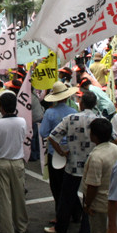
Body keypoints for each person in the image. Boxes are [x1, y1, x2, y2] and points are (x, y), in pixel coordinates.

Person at [45, 91, 99, 233]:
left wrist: (62, 152)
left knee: (66, 197)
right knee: (90, 200)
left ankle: (61, 228)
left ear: (81, 103)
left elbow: (52, 136)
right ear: (94, 104)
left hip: (73, 163)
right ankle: (85, 232)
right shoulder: (100, 119)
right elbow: (114, 139)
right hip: (93, 165)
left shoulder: (71, 118)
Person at [0, 92, 28, 233]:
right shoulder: (22, 121)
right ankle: (21, 225)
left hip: (1, 163)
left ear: (1, 107)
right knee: (19, 195)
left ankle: (7, 230)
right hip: (17, 162)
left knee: (3, 198)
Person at [39, 81, 78, 221]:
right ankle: (75, 212)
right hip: (71, 152)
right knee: (69, 184)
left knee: (57, 186)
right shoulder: (74, 111)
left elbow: (43, 133)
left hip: (55, 152)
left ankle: (61, 215)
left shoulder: (50, 112)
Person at [81, 118, 117, 233]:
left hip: (99, 203)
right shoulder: (115, 148)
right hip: (113, 199)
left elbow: (93, 185)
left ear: (94, 135)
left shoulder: (96, 157)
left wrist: (87, 204)